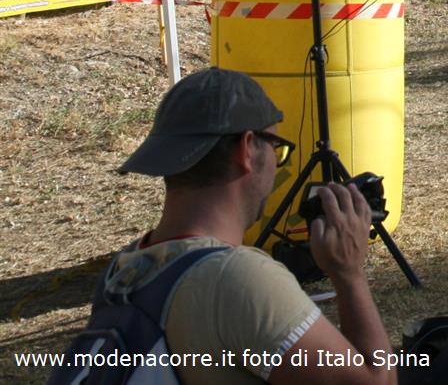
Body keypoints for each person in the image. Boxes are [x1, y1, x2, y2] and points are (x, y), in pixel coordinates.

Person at [89, 67, 398, 384]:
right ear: (247, 148)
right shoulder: (237, 279)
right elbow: (377, 381)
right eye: (276, 148)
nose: (276, 162)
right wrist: (348, 273)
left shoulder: (121, 271)